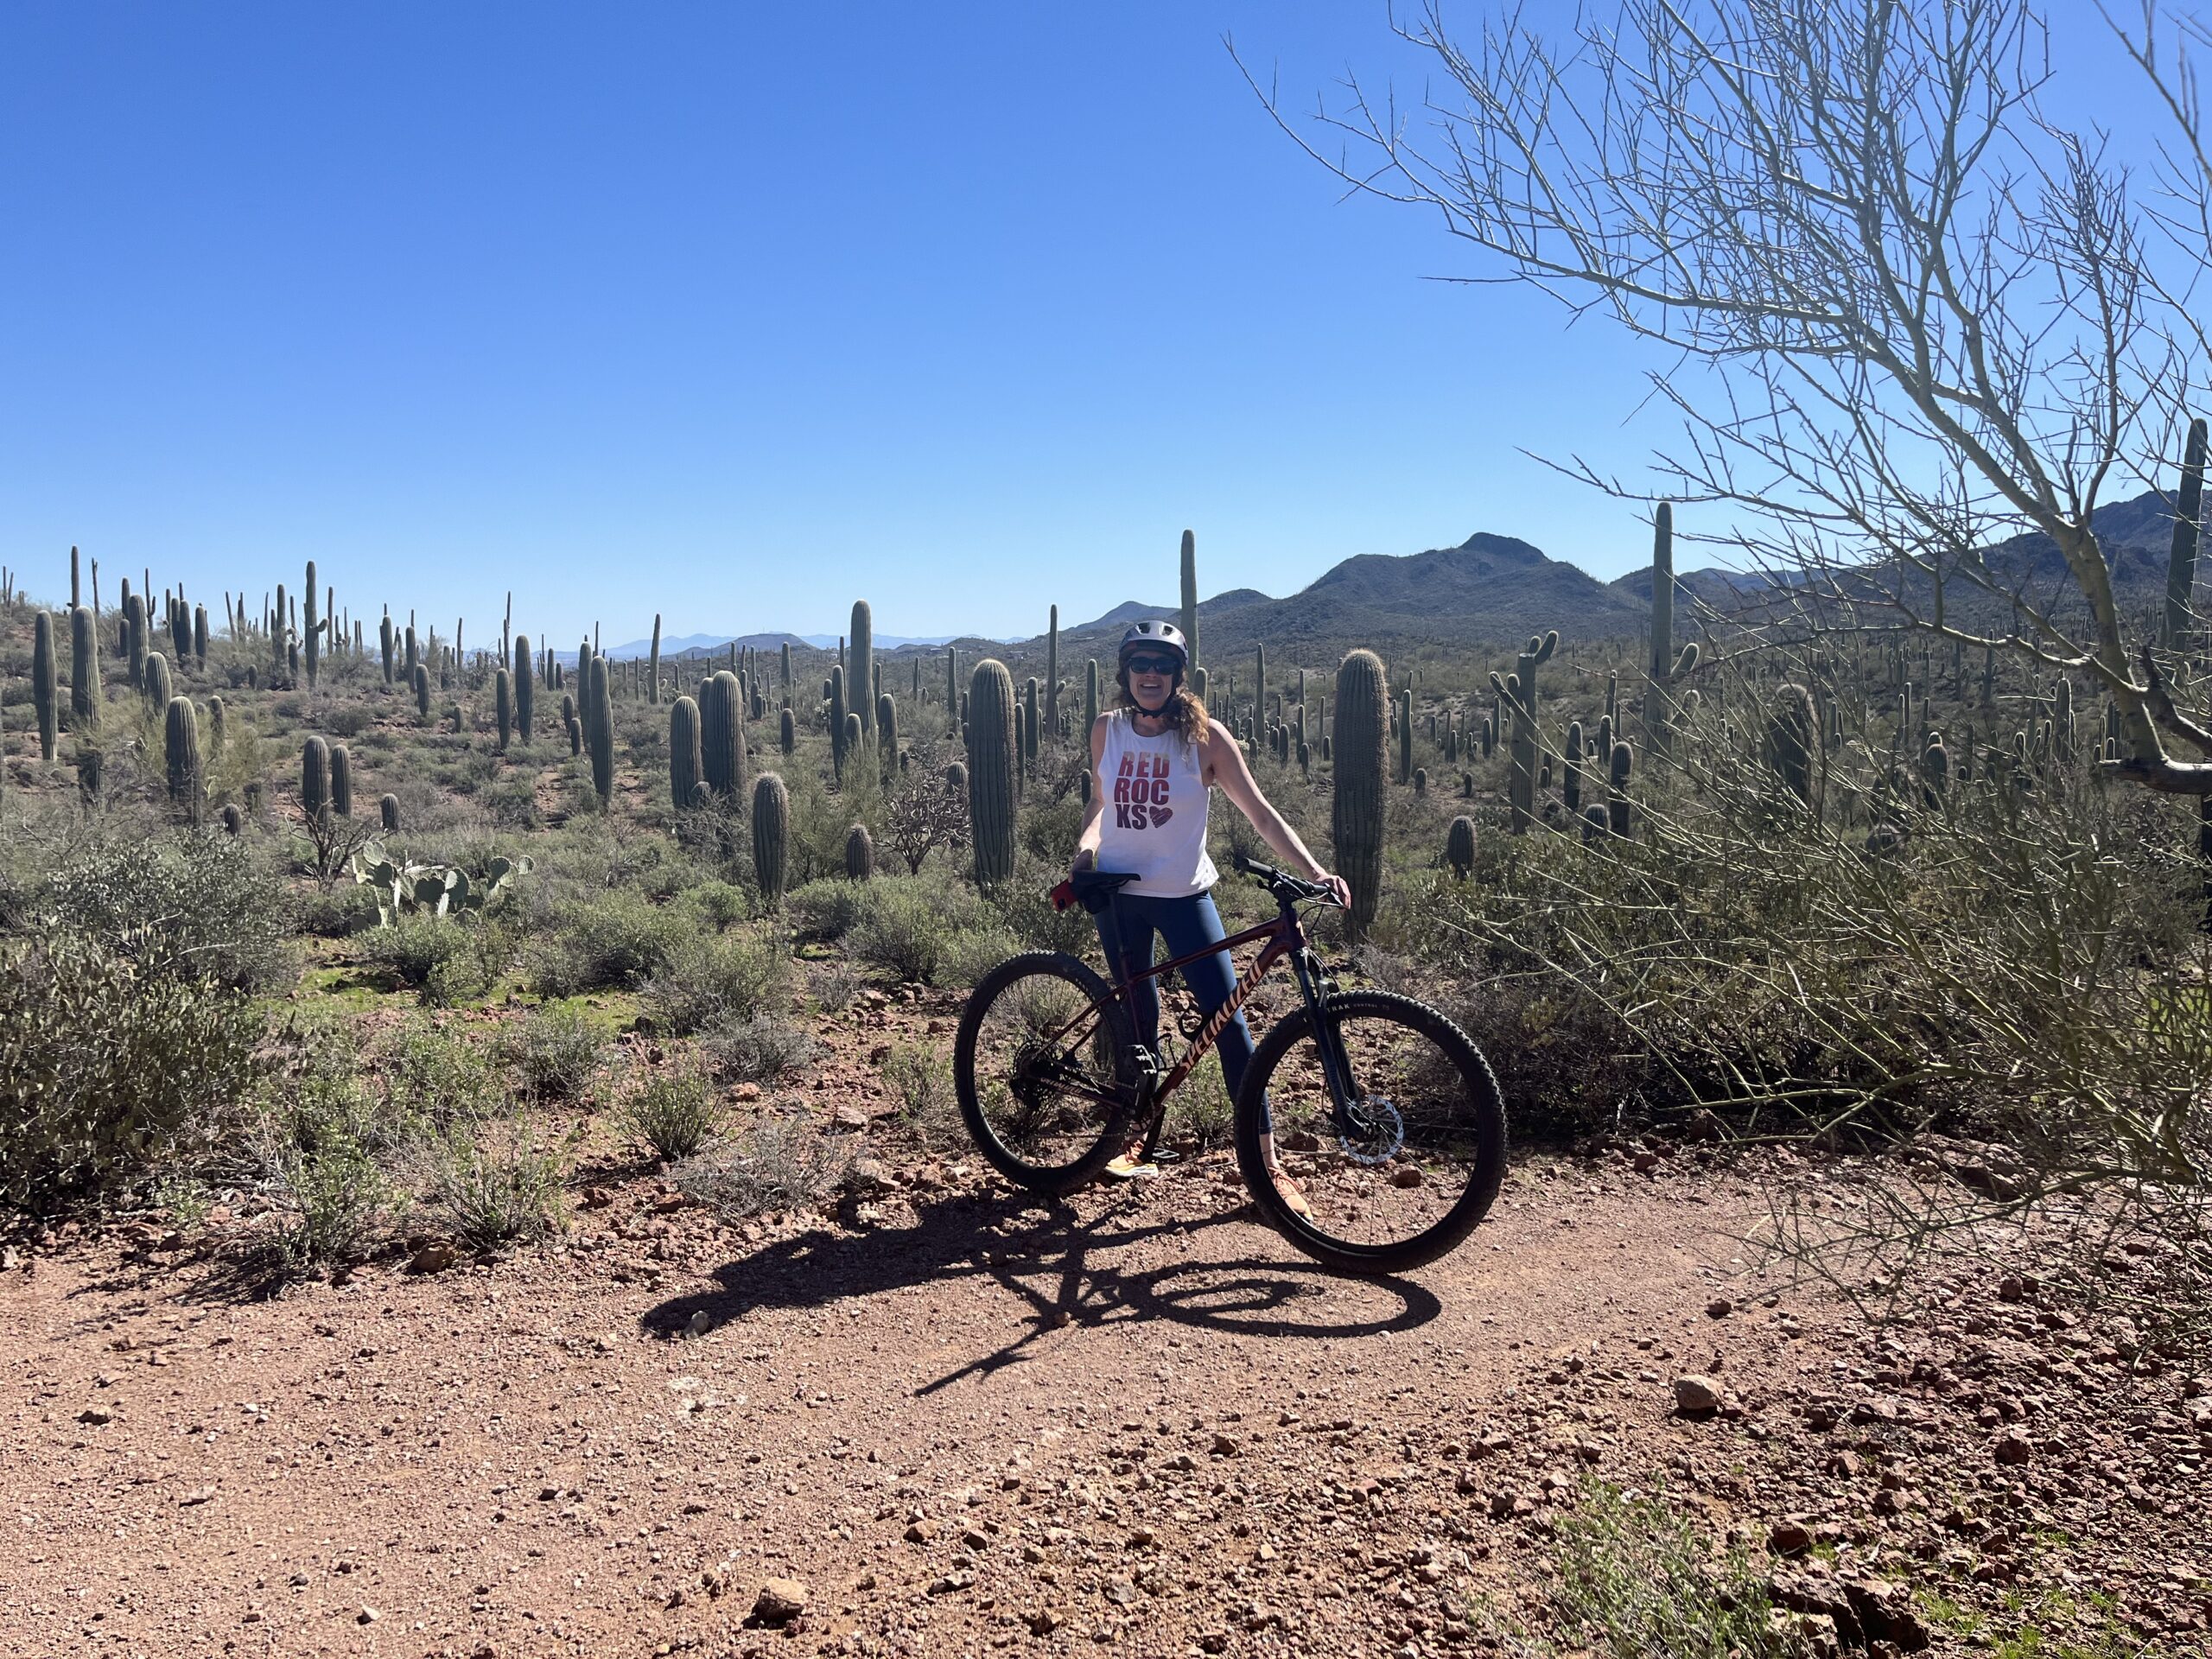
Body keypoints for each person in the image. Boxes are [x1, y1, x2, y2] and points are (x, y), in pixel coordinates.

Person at [1070, 620, 1351, 1214]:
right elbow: (1101, 800)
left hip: (1184, 897)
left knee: (1230, 1027)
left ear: (1178, 677)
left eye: (1163, 666)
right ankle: (1140, 1138)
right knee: (1137, 1020)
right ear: (1125, 674)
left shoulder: (1206, 740)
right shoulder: (1106, 730)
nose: (1151, 675)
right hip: (1118, 895)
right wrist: (1086, 849)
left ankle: (1268, 1167)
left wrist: (1315, 870)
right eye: (1141, 664)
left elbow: (1262, 815)